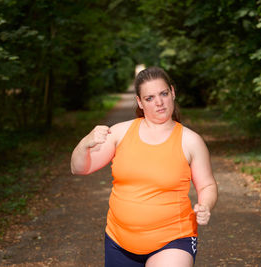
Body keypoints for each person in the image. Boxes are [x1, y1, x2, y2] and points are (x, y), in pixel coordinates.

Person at [71, 66, 218, 267]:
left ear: (173, 93)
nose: (159, 102)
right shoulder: (120, 133)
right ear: (140, 102)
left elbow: (207, 186)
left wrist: (205, 205)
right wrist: (84, 143)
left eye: (164, 94)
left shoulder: (191, 141)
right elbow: (79, 168)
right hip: (118, 241)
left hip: (173, 239)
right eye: (149, 98)